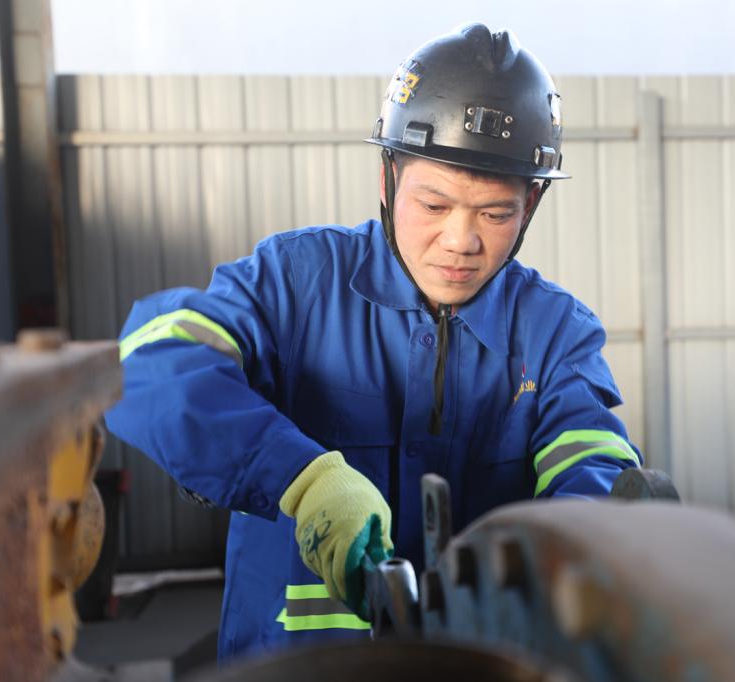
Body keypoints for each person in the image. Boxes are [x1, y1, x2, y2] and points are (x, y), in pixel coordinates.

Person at [105, 22, 641, 661]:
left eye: (496, 214)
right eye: (434, 206)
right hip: (291, 670)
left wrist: (569, 560)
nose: (461, 241)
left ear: (530, 205)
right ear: (387, 180)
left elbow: (593, 463)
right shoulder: (295, 284)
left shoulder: (554, 333)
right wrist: (301, 479)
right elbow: (149, 364)